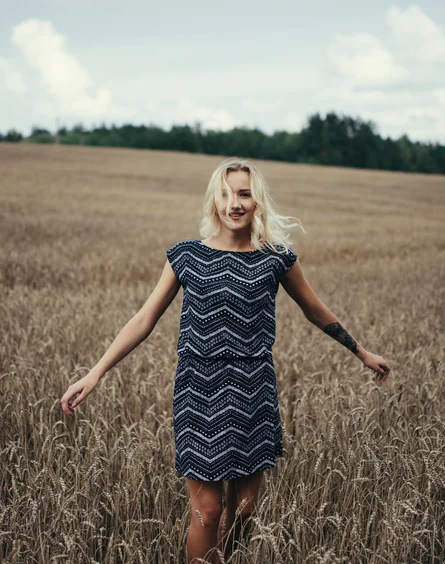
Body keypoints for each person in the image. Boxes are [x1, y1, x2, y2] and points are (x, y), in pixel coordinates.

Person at [61, 157, 391, 564]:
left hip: (253, 391)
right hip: (198, 391)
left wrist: (361, 351)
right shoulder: (186, 256)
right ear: (213, 201)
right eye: (225, 194)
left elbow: (315, 310)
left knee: (246, 510)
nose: (233, 203)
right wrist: (95, 373)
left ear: (257, 203)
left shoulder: (277, 259)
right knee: (207, 512)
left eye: (244, 194)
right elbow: (144, 318)